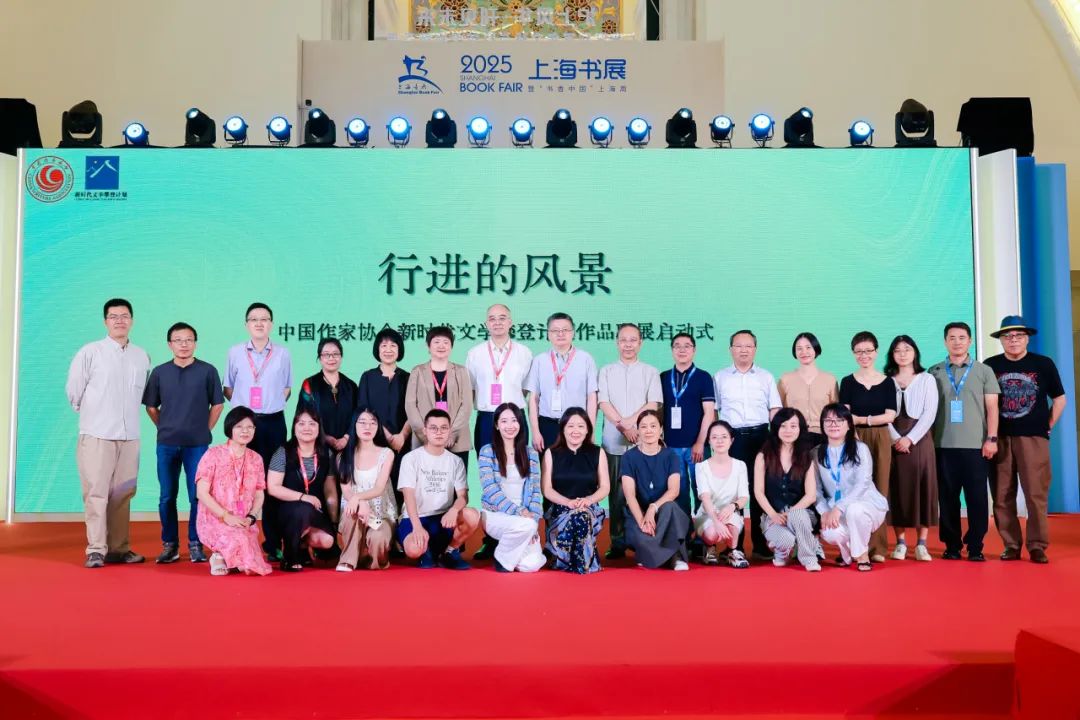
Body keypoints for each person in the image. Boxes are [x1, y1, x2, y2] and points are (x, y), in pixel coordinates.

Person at [66, 298, 151, 568]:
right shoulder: (90, 352)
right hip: (97, 434)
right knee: (96, 493)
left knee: (123, 494)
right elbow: (74, 391)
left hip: (130, 436)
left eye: (124, 316)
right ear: (105, 321)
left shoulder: (141, 356)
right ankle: (96, 549)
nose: (119, 321)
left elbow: (142, 394)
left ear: (132, 321)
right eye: (113, 316)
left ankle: (118, 548)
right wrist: (94, 415)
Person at [985, 316, 1067, 564]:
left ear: (1027, 338)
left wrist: (1047, 425)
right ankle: (1011, 545)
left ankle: (1037, 545)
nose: (1013, 340)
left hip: (1033, 438)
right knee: (1001, 494)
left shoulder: (1043, 364)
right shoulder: (990, 365)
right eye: (1007, 336)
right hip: (1000, 438)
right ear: (1001, 340)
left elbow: (1060, 399)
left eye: (1018, 335)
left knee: (1035, 494)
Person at [142, 321, 224, 565]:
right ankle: (170, 545)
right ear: (170, 344)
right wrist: (165, 427)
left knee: (197, 496)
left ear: (195, 343)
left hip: (197, 445)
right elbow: (151, 407)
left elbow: (218, 404)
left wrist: (204, 429)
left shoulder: (208, 371)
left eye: (188, 340)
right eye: (178, 340)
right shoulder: (160, 372)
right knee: (167, 496)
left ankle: (196, 543)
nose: (184, 344)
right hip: (167, 444)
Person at [224, 302, 292, 560]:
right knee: (240, 482)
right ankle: (239, 543)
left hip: (273, 423)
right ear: (246, 325)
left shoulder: (283, 353)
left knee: (273, 483)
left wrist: (268, 405)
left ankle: (273, 543)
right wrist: (246, 413)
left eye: (264, 319)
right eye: (254, 319)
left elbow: (286, 388)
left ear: (271, 324)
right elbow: (228, 388)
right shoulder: (234, 352)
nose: (259, 323)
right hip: (244, 424)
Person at [927, 322, 1000, 561]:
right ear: (945, 342)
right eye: (952, 338)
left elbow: (992, 408)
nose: (957, 342)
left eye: (961, 337)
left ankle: (976, 545)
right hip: (942, 445)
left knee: (977, 499)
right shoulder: (934, 371)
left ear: (970, 341)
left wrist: (991, 439)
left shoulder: (984, 371)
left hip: (976, 446)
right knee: (947, 499)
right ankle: (952, 545)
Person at [466, 304, 533, 561]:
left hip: (515, 419)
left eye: (502, 318)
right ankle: (490, 539)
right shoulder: (475, 354)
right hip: (487, 418)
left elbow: (526, 389)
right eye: (492, 319)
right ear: (486, 324)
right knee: (490, 477)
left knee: (518, 474)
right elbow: (471, 389)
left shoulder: (524, 353)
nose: (497, 322)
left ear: (511, 322)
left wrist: (509, 414)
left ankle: (519, 531)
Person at [712, 329, 781, 560]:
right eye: (739, 345)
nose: (743, 350)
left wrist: (775, 441)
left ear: (755, 349)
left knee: (760, 488)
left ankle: (761, 544)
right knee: (734, 490)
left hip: (761, 436)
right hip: (733, 439)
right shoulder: (720, 377)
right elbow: (715, 411)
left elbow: (774, 409)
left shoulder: (766, 377)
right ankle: (735, 545)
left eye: (748, 346)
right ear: (730, 349)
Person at [598, 323, 662, 560]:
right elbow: (603, 402)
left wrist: (632, 423)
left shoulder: (650, 371)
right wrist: (622, 426)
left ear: (640, 343)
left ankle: (642, 539)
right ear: (617, 343)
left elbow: (653, 403)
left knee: (644, 492)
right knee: (616, 494)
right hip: (613, 442)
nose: (628, 344)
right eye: (623, 340)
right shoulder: (606, 371)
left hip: (643, 442)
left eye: (633, 340)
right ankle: (617, 541)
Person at [839, 331, 897, 563]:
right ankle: (854, 546)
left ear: (876, 351)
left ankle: (878, 547)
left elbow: (890, 415)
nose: (864, 355)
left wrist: (863, 419)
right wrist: (855, 432)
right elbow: (845, 416)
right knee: (852, 488)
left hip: (881, 437)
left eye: (868, 351)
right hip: (853, 437)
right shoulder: (847, 382)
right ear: (854, 353)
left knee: (880, 488)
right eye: (859, 351)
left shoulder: (888, 382)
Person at [398, 409, 481, 570]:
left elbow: (463, 496)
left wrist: (454, 510)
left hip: (443, 518)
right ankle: (425, 552)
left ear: (449, 430)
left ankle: (449, 552)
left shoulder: (455, 461)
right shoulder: (411, 458)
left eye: (444, 428)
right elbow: (408, 496)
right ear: (425, 430)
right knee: (413, 550)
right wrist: (417, 527)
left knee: (471, 515)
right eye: (433, 428)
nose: (439, 432)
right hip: (416, 518)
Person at [193, 407, 272, 576]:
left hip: (243, 520)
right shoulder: (213, 454)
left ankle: (229, 557)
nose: (245, 431)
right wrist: (225, 516)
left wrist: (251, 517)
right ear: (230, 428)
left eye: (250, 427)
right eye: (239, 426)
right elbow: (201, 493)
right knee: (244, 549)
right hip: (215, 517)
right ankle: (218, 556)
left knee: (250, 563)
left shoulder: (256, 459)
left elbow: (259, 493)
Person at [884, 335, 939, 562]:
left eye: (907, 349)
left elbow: (930, 413)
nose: (902, 354)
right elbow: (882, 413)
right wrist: (896, 438)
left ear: (915, 352)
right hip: (893, 440)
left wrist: (910, 439)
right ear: (892, 355)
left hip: (920, 441)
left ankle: (922, 544)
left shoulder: (927, 379)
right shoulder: (886, 381)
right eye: (897, 350)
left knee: (923, 488)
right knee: (896, 488)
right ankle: (900, 543)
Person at [815, 403, 889, 572]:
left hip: (867, 503)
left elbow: (863, 483)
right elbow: (816, 490)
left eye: (839, 420)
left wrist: (839, 508)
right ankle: (847, 553)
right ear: (822, 425)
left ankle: (862, 555)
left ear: (849, 425)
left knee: (855, 510)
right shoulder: (816, 453)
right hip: (834, 507)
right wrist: (824, 511)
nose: (833, 424)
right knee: (830, 533)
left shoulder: (860, 449)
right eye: (828, 420)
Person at [266, 408, 338, 571]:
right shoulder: (283, 452)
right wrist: (302, 497)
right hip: (287, 510)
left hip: (316, 510)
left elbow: (330, 489)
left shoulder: (326, 453)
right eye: (301, 424)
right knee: (302, 510)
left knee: (327, 541)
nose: (307, 428)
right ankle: (290, 556)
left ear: (319, 428)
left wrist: (334, 520)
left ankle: (303, 545)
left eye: (312, 424)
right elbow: (273, 488)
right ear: (294, 427)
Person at [478, 403, 545, 573]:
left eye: (514, 420)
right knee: (525, 527)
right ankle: (502, 557)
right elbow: (490, 490)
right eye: (504, 421)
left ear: (520, 423)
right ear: (496, 425)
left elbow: (536, 492)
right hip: (495, 514)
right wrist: (520, 513)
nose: (510, 426)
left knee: (532, 565)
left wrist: (534, 522)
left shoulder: (531, 454)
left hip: (525, 519)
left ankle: (508, 555)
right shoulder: (487, 452)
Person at [620, 410, 690, 570]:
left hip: (664, 512)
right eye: (643, 427)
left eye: (653, 426)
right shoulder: (629, 457)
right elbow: (630, 496)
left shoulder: (671, 455)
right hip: (639, 513)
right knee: (639, 536)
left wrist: (653, 507)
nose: (648, 431)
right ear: (638, 431)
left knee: (671, 507)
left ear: (661, 430)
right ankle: (659, 554)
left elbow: (674, 491)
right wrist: (643, 522)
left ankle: (673, 556)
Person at [754, 408, 822, 572]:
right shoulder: (763, 456)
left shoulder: (806, 456)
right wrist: (773, 515)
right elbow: (758, 492)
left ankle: (809, 558)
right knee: (785, 540)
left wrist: (790, 513)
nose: (788, 430)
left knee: (798, 515)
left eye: (793, 426)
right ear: (776, 428)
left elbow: (811, 495)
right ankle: (783, 551)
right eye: (783, 426)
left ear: (800, 429)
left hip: (803, 514)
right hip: (773, 516)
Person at [542, 408, 610, 574]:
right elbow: (547, 489)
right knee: (579, 516)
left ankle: (563, 559)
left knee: (582, 515)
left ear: (587, 430)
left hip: (589, 508)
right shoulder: (551, 453)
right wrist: (568, 502)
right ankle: (584, 562)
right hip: (560, 508)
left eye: (581, 426)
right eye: (571, 426)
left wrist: (588, 500)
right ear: (563, 429)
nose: (575, 431)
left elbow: (605, 487)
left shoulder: (598, 452)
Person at [334, 407, 398, 572]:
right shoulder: (343, 456)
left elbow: (379, 488)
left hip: (380, 514)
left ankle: (372, 557)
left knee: (378, 540)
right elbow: (346, 490)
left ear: (378, 427)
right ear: (354, 425)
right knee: (351, 514)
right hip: (353, 513)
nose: (367, 427)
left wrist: (358, 498)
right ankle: (347, 561)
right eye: (362, 422)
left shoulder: (387, 454)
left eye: (372, 423)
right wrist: (358, 502)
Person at [659, 333, 716, 516]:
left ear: (694, 350)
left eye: (687, 346)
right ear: (672, 350)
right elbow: (658, 411)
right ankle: (683, 529)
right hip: (671, 446)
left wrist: (700, 442)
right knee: (678, 491)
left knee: (702, 490)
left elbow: (709, 413)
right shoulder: (663, 377)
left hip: (697, 447)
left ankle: (702, 530)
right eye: (677, 346)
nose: (682, 350)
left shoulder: (703, 377)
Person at [526, 313, 598, 451]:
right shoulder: (539, 361)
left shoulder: (586, 359)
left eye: (565, 330)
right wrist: (535, 432)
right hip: (547, 425)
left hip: (577, 426)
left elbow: (592, 397)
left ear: (573, 332)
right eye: (555, 330)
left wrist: (591, 430)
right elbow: (533, 399)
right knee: (548, 464)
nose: (560, 334)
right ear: (548, 334)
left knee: (576, 464)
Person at [405, 326, 473, 469]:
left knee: (456, 481)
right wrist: (426, 435)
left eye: (446, 342)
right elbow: (410, 405)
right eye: (436, 342)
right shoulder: (417, 371)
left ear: (451, 346)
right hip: (424, 440)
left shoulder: (461, 371)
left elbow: (466, 405)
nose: (441, 346)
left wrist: (451, 433)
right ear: (428, 346)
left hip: (455, 440)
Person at [694, 420, 750, 568]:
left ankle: (733, 551)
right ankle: (709, 548)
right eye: (714, 437)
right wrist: (716, 521)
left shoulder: (740, 465)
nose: (719, 441)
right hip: (707, 514)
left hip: (729, 512)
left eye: (724, 437)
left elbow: (744, 497)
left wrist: (732, 507)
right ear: (709, 441)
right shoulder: (701, 467)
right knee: (713, 533)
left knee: (732, 528)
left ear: (731, 440)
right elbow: (705, 498)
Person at [778, 332, 838, 447]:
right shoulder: (785, 379)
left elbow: (836, 412)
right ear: (795, 352)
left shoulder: (830, 379)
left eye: (808, 347)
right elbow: (778, 412)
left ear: (816, 349)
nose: (804, 352)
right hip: (794, 437)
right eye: (799, 348)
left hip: (824, 436)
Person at [298, 338, 358, 453]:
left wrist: (346, 438)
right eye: (326, 354)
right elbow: (302, 416)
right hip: (317, 446)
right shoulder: (309, 384)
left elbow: (357, 415)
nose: (331, 358)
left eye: (335, 354)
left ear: (341, 357)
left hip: (348, 447)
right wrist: (324, 436)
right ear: (320, 358)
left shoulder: (351, 386)